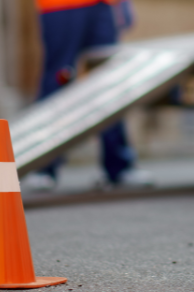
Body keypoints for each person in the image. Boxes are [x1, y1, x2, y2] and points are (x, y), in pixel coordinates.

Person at [23, 0, 152, 190]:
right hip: (60, 5)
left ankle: (119, 166)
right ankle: (43, 167)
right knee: (59, 79)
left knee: (108, 81)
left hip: (102, 5)